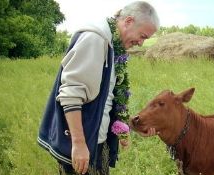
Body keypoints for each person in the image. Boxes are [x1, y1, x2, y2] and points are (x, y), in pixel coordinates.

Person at [37, 1, 160, 175]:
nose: (141, 43)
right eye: (143, 36)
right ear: (129, 21)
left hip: (97, 143)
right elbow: (71, 93)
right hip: (83, 147)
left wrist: (131, 126)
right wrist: (78, 144)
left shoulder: (113, 45)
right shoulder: (95, 38)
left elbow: (106, 99)